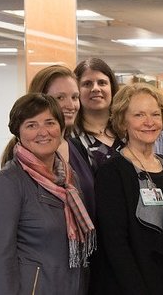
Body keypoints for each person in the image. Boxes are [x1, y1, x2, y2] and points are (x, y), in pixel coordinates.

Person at [0, 94, 96, 294]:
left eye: (50, 122)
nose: (43, 132)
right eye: (31, 125)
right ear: (18, 133)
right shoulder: (8, 182)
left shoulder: (70, 179)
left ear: (61, 128)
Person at [93, 83, 163, 295]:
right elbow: (115, 246)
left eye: (155, 114)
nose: (149, 122)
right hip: (132, 286)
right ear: (123, 121)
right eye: (139, 115)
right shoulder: (111, 173)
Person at [26, 65, 96, 216]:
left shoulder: (79, 147)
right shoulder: (26, 154)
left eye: (75, 97)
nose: (70, 105)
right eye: (60, 98)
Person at [71, 57, 123, 170]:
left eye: (102, 83)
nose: (95, 88)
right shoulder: (70, 137)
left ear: (112, 88)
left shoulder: (126, 132)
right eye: (87, 84)